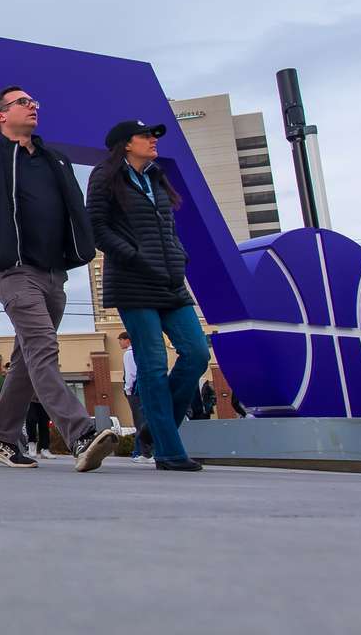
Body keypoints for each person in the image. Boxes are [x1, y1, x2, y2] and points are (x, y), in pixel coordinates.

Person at [0, 85, 118, 471]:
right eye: (23, 102)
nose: (33, 107)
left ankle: (2, 438)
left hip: (53, 274)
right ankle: (81, 435)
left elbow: (76, 210)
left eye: (34, 102)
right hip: (12, 270)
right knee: (43, 347)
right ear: (1, 115)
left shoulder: (56, 161)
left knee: (27, 358)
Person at [87, 120, 209, 472]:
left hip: (170, 282)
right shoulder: (105, 177)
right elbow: (97, 228)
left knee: (197, 353)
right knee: (153, 366)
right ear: (125, 144)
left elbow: (168, 226)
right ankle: (170, 451)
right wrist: (133, 256)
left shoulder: (155, 177)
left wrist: (178, 254)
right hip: (133, 282)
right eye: (145, 136)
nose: (153, 140)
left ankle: (156, 428)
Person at [119, 331, 153, 463]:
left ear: (127, 340)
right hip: (145, 389)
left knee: (139, 421)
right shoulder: (142, 351)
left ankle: (145, 453)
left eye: (121, 340)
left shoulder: (129, 353)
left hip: (134, 391)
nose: (120, 343)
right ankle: (142, 451)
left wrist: (128, 389)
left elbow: (131, 374)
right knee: (145, 418)